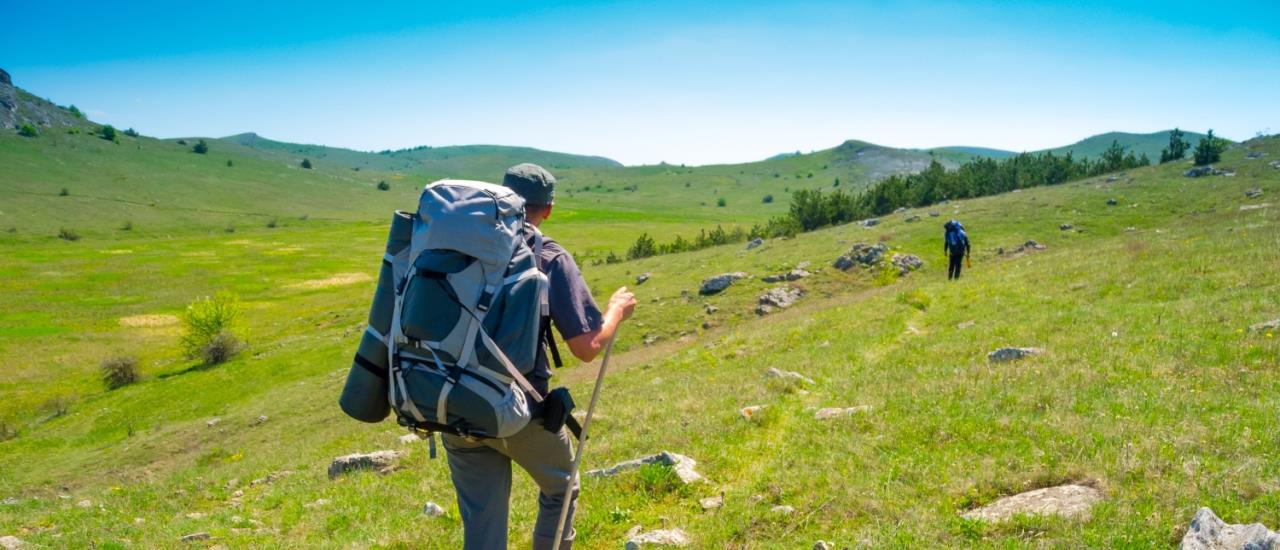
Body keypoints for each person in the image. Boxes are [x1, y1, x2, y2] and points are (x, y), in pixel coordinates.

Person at [441, 163, 637, 550]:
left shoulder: (460, 246)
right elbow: (585, 348)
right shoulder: (548, 255)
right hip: (516, 407)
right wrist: (616, 311)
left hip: (451, 400)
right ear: (548, 208)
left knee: (482, 518)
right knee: (562, 485)